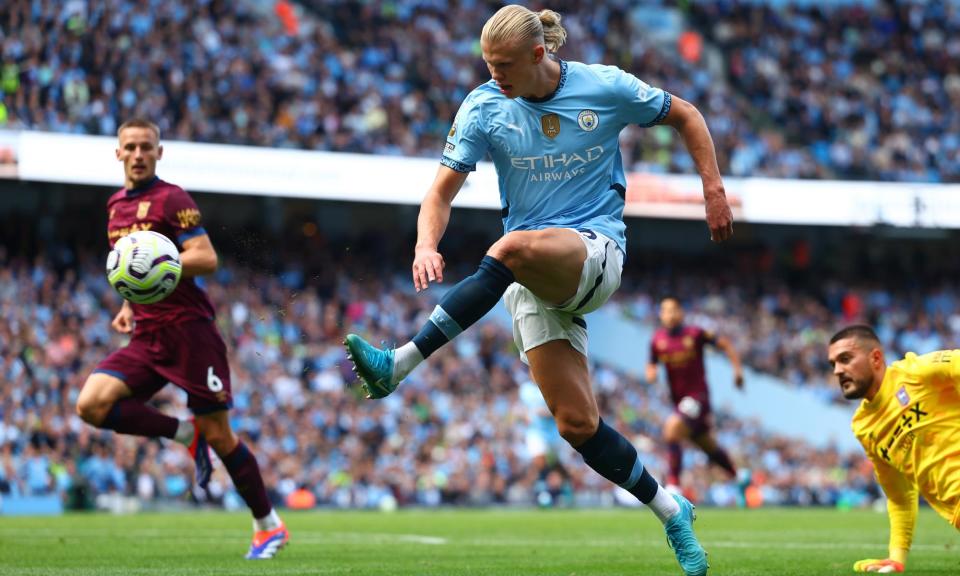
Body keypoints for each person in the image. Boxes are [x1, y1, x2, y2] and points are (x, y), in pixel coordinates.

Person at [345, 6, 734, 575]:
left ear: (538, 55)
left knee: (509, 246)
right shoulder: (483, 106)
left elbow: (687, 115)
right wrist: (425, 245)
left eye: (503, 64)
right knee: (576, 425)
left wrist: (713, 190)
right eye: (487, 63)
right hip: (530, 274)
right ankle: (672, 510)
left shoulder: (604, 86)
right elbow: (439, 194)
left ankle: (398, 364)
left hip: (596, 251)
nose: (493, 74)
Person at [75, 119, 289, 559]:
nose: (137, 154)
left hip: (190, 334)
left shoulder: (172, 199)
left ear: (159, 152)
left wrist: (160, 257)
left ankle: (268, 525)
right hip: (147, 334)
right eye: (130, 147)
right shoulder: (115, 206)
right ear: (118, 153)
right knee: (91, 404)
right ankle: (183, 434)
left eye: (145, 147)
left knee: (222, 437)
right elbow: (136, 273)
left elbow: (205, 257)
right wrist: (129, 303)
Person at [827, 325, 960, 574]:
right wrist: (896, 558)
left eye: (845, 359)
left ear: (876, 357)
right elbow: (899, 497)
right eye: (833, 363)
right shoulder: (864, 427)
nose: (838, 371)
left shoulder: (916, 372)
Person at [645, 298, 743, 493]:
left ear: (681, 312)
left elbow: (725, 345)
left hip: (698, 396)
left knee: (672, 429)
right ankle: (739, 477)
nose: (669, 314)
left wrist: (737, 371)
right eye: (665, 310)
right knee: (706, 443)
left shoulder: (695, 334)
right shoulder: (657, 340)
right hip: (679, 401)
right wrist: (651, 373)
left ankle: (674, 486)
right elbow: (651, 363)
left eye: (673, 310)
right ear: (661, 315)